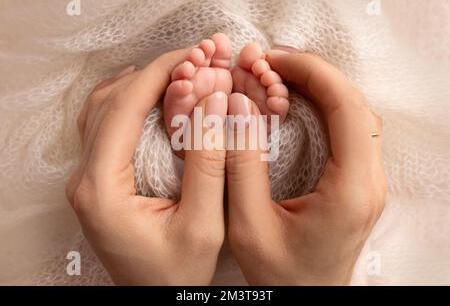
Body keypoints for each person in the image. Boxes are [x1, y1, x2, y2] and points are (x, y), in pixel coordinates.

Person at [65, 37, 386, 285]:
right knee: (305, 160)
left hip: (178, 228)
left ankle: (184, 150)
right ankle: (262, 143)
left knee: (150, 174)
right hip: (278, 222)